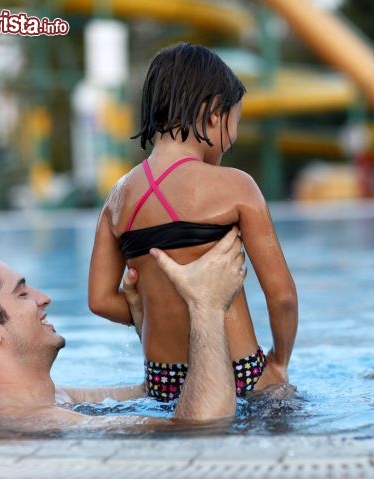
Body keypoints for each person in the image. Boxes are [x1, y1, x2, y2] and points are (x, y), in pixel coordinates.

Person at [88, 42, 298, 402]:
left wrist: (151, 309)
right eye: (235, 124)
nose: (231, 140)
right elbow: (282, 298)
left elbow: (100, 300)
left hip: (163, 381)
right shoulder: (236, 187)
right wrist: (279, 361)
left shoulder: (118, 199)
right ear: (215, 114)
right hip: (238, 373)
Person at [0, 228, 247, 431]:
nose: (42, 298)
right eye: (22, 293)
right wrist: (207, 306)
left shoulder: (56, 398)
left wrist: (146, 326)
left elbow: (160, 392)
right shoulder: (27, 422)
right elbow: (202, 426)